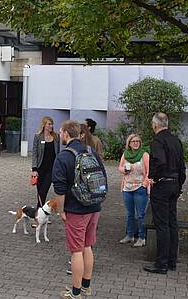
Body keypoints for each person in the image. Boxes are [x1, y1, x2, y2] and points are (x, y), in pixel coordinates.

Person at [53, 120, 106, 299]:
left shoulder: (64, 156)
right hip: (94, 206)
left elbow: (59, 189)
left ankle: (75, 292)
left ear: (67, 134)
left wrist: (61, 210)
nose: (60, 134)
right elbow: (103, 177)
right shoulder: (91, 151)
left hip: (76, 209)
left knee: (76, 250)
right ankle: (86, 286)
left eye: (61, 132)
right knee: (87, 245)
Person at [143, 112, 186, 275]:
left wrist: (153, 177)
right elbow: (182, 166)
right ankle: (171, 261)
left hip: (162, 185)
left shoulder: (158, 141)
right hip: (174, 184)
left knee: (161, 225)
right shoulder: (176, 140)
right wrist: (179, 184)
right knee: (172, 223)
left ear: (155, 125)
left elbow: (159, 161)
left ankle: (161, 264)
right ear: (166, 123)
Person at [118, 134, 150, 247]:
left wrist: (145, 184)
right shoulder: (126, 154)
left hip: (140, 188)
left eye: (138, 141)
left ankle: (142, 237)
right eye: (133, 141)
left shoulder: (144, 154)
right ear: (129, 143)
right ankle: (130, 235)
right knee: (129, 214)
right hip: (127, 188)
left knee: (141, 214)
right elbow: (120, 167)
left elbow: (149, 172)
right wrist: (124, 170)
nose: (136, 143)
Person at [31, 116, 59, 207]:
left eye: (52, 124)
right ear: (44, 125)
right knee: (39, 192)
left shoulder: (56, 137)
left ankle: (39, 213)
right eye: (49, 124)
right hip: (40, 169)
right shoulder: (38, 137)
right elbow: (34, 153)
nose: (51, 126)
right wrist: (34, 169)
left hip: (51, 169)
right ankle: (40, 214)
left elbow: (57, 153)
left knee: (43, 191)